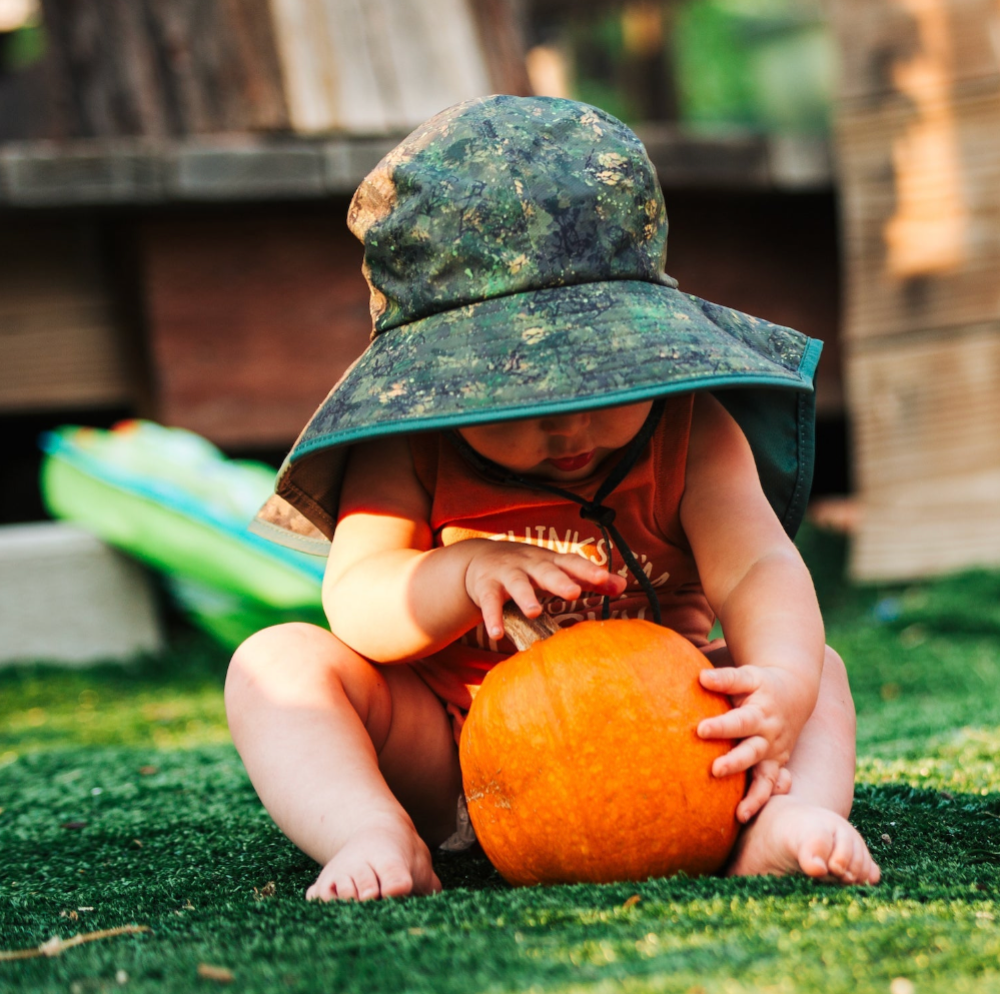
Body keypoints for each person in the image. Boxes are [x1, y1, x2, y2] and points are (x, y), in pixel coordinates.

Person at [226, 94, 881, 901]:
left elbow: (756, 569)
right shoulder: (409, 449)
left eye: (602, 377)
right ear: (438, 385)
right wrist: (460, 569)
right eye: (521, 394)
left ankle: (783, 820)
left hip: (682, 746)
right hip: (462, 756)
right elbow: (357, 602)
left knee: (820, 670)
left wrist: (781, 682)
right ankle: (372, 832)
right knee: (276, 664)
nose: (569, 425)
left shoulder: (695, 432)